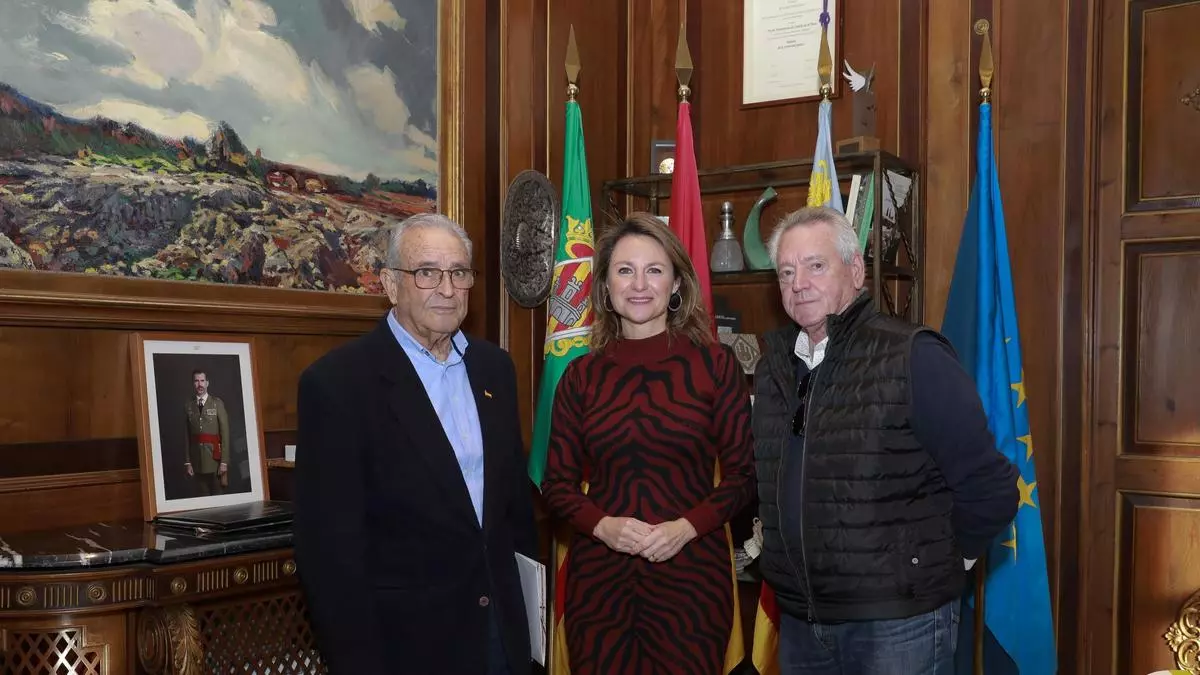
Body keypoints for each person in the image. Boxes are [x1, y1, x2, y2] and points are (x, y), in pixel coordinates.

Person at [752, 206, 1020, 673]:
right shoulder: (773, 367)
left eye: (816, 265)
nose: (799, 284)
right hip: (798, 622)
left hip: (898, 625)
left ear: (856, 271)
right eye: (787, 272)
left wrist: (941, 564)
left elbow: (990, 487)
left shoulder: (913, 355)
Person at [294, 213, 537, 675]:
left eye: (459, 272)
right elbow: (329, 553)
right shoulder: (338, 384)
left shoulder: (495, 370)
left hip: (500, 636)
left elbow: (515, 514)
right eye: (427, 272)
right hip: (405, 647)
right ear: (390, 284)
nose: (447, 289)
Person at [541, 212, 755, 675]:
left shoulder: (716, 366)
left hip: (692, 582)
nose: (639, 284)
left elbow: (743, 478)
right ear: (605, 286)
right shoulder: (580, 376)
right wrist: (603, 527)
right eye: (625, 270)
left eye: (654, 270)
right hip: (599, 586)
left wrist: (687, 528)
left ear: (676, 283)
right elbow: (555, 486)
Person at [183, 369, 229, 496]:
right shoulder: (188, 406)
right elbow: (187, 436)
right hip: (197, 462)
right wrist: (188, 462)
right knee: (202, 499)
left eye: (202, 381)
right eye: (196, 381)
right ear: (193, 383)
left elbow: (225, 434)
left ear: (207, 383)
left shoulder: (217, 404)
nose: (200, 384)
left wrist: (224, 461)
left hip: (215, 460)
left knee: (218, 498)